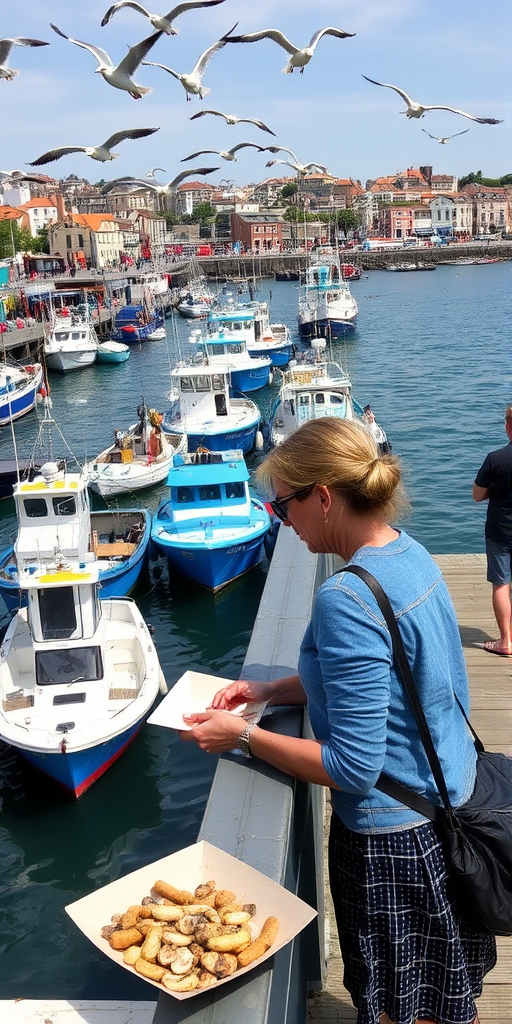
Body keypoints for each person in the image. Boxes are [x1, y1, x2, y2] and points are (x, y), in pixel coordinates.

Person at [180, 417, 496, 1024]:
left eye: (284, 505)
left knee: (404, 1009)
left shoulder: (343, 598)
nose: (281, 521)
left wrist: (242, 733)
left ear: (322, 498)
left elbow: (352, 767)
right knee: (440, 998)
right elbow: (386, 676)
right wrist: (273, 687)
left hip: (393, 848)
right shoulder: (408, 552)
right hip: (445, 813)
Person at [473, 406, 512, 656]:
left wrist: (495, 491)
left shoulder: (495, 458)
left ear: (508, 426)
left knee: (501, 585)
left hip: (500, 530)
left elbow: (477, 495)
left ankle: (506, 641)